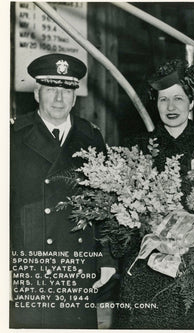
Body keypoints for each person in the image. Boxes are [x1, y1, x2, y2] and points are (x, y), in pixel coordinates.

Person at [113, 59, 194, 329]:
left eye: (178, 98)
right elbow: (119, 213)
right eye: (164, 100)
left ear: (192, 103)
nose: (171, 107)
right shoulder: (136, 148)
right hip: (145, 265)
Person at [10, 53, 117, 328]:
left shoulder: (91, 136)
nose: (59, 99)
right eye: (51, 90)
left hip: (78, 263)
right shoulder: (12, 137)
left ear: (75, 96)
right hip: (29, 264)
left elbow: (105, 205)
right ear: (37, 93)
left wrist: (106, 260)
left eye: (67, 90)